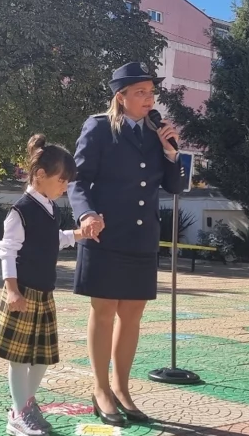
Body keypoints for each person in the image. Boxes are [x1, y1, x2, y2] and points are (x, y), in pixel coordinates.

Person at [68, 61, 183, 427]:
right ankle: (100, 388)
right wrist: (86, 215)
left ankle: (121, 388)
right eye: (141, 93)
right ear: (121, 97)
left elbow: (175, 187)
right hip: (104, 234)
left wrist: (170, 153)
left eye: (151, 93)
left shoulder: (155, 134)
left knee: (131, 315)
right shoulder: (99, 128)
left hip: (140, 237)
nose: (150, 99)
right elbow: (78, 180)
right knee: (103, 313)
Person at [0, 134, 91, 436]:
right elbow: (7, 250)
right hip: (23, 293)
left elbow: (53, 239)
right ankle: (19, 414)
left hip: (44, 293)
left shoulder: (50, 208)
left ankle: (26, 404)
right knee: (19, 359)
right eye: (62, 180)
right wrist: (12, 290)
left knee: (42, 358)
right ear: (41, 175)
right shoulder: (20, 210)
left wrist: (79, 234)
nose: (65, 187)